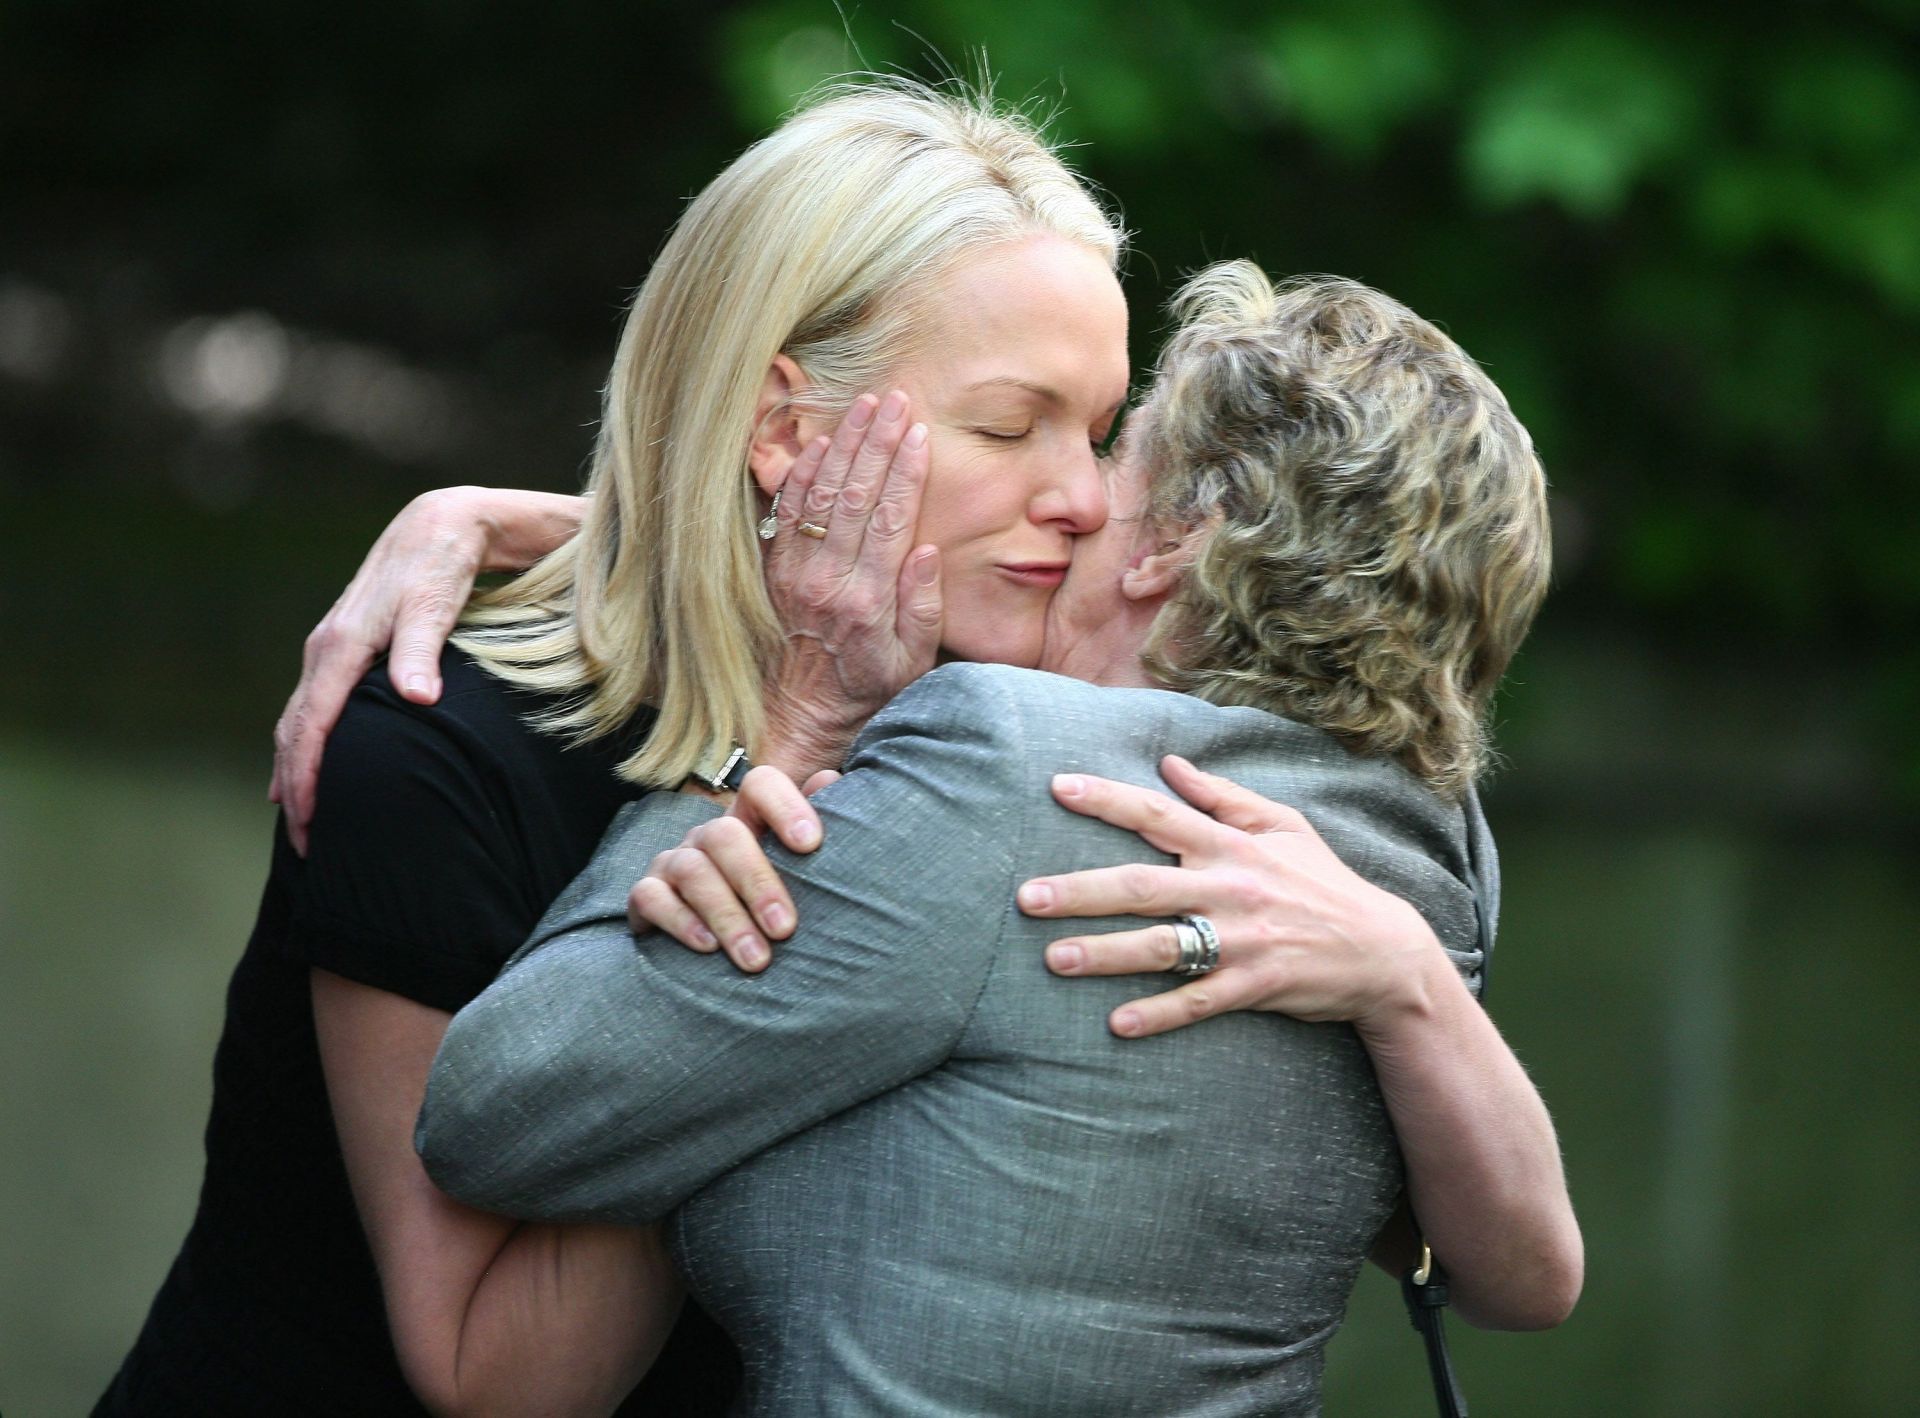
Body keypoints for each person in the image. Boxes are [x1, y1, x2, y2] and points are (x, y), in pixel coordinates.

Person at [97, 80, 1162, 1417]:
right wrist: (785, 748)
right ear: (789, 433)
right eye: (1011, 425)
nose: (1080, 496)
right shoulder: (428, 754)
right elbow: (500, 1377)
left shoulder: (988, 708)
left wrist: (1390, 965)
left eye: (1103, 428)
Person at [412, 265, 1581, 1415]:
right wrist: (540, 527)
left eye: (1116, 456)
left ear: (1180, 540)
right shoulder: (1427, 852)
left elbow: (497, 1116)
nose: (1073, 497)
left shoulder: (1004, 770)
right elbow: (1510, 1279)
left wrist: (749, 755)